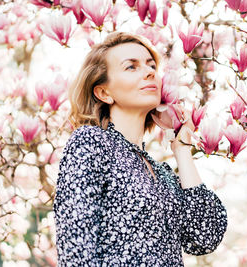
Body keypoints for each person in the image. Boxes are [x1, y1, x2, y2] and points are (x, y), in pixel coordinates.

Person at [53, 32, 227, 266]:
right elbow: (75, 250)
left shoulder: (162, 173)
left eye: (151, 65)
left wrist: (182, 148)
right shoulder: (91, 142)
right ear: (104, 92)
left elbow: (204, 236)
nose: (149, 72)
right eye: (131, 67)